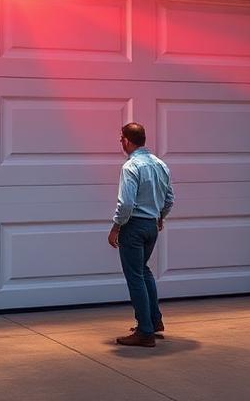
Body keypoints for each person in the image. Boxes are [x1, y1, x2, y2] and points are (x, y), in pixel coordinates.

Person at [108, 122, 174, 348]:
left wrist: (116, 227)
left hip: (134, 226)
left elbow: (126, 204)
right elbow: (169, 199)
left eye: (121, 139)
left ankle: (145, 332)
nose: (120, 142)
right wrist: (160, 217)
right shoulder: (160, 164)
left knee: (135, 276)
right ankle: (154, 321)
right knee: (144, 272)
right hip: (151, 226)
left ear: (127, 140)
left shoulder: (131, 166)